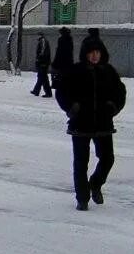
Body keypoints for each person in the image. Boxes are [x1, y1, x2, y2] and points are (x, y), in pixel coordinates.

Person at [54, 29, 126, 211]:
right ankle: (82, 198)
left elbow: (120, 92)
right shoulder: (76, 71)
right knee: (80, 162)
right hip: (80, 124)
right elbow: (61, 91)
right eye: (91, 53)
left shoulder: (108, 71)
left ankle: (95, 184)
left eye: (97, 52)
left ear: (101, 53)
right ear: (85, 54)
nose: (94, 56)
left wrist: (112, 107)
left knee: (107, 159)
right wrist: (72, 108)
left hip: (103, 124)